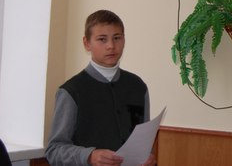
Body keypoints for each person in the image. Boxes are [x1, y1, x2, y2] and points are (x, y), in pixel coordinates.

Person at [45, 10, 155, 166]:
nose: (111, 46)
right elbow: (54, 150)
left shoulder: (138, 86)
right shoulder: (71, 91)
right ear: (87, 43)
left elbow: (143, 142)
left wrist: (148, 157)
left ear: (124, 39)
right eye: (102, 39)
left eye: (117, 38)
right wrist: (89, 156)